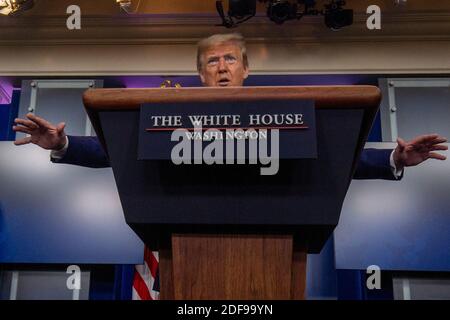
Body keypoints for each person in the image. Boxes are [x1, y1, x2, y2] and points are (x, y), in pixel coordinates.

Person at [12, 33, 448, 178]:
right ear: (201, 74)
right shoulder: (174, 113)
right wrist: (61, 145)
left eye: (229, 59)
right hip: (185, 229)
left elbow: (325, 158)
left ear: (244, 69)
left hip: (273, 231)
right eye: (212, 62)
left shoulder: (283, 113)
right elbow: (120, 152)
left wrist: (394, 157)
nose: (221, 67)